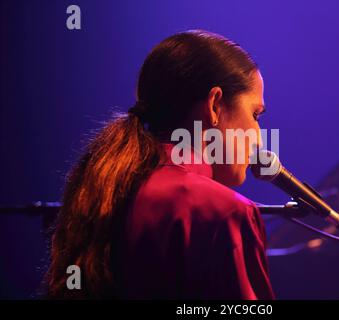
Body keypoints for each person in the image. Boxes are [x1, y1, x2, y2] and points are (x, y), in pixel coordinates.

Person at [46, 30, 275, 299]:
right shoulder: (224, 211)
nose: (258, 137)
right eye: (255, 114)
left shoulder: (103, 187)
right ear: (214, 106)